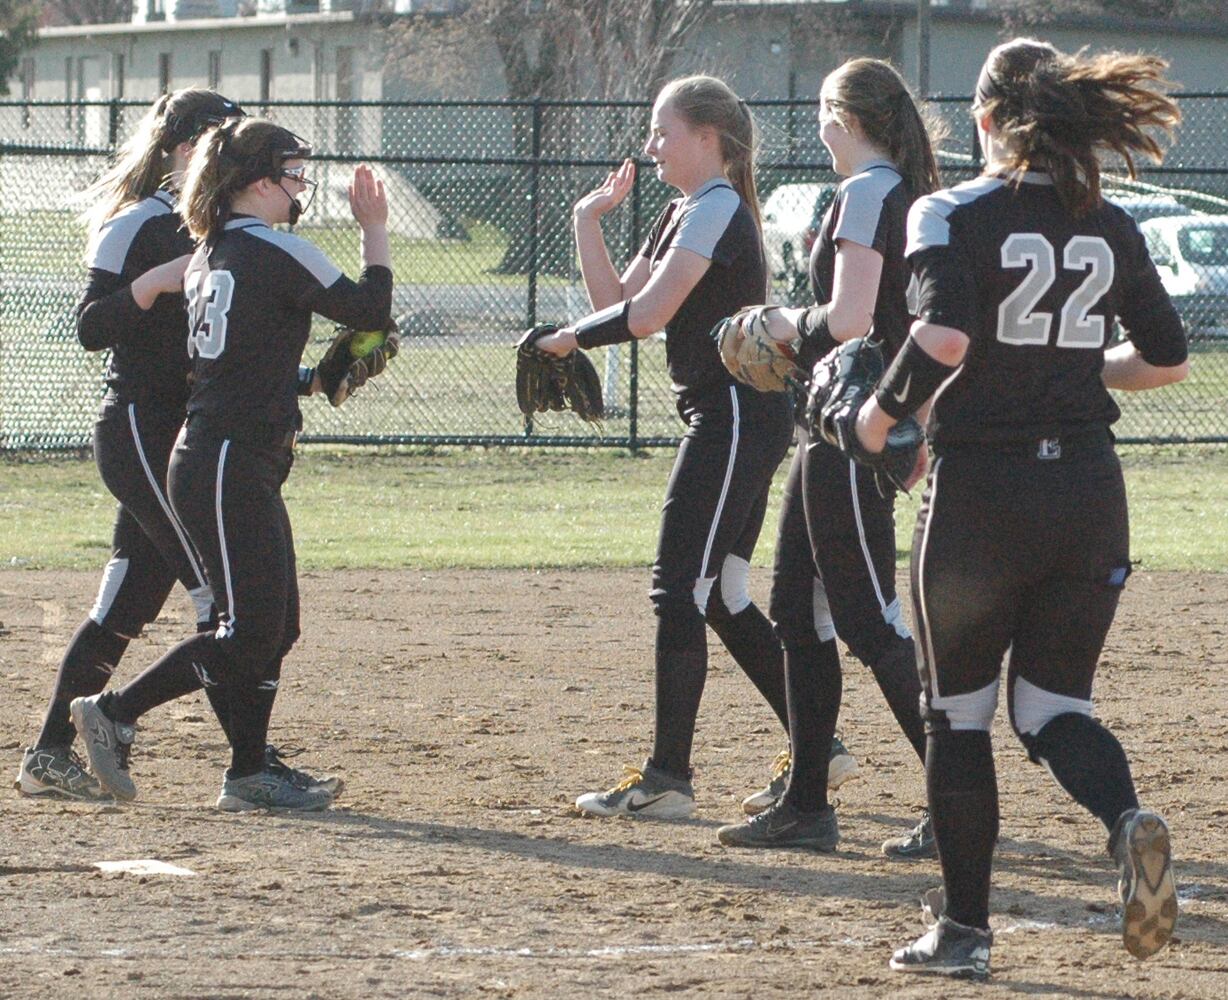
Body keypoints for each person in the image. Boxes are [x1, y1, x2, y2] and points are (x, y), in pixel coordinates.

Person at [839, 39, 1185, 978]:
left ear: (987, 119)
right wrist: (1069, 369)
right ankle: (1126, 819)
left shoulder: (949, 209)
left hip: (985, 498)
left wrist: (876, 418)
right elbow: (1165, 358)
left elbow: (944, 335)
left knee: (957, 714)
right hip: (1087, 492)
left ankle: (963, 931)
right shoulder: (1104, 220)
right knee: (1052, 706)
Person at [534, 75, 850, 818]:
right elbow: (622, 295)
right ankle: (821, 747)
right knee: (724, 594)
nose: (650, 147)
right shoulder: (685, 210)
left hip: (737, 413)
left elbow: (644, 318)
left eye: (662, 132)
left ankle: (668, 778)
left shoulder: (717, 210)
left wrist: (570, 338)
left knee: (678, 588)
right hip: (732, 415)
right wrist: (588, 220)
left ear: (707, 137)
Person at [71, 118, 394, 812]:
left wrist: (311, 377)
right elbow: (371, 308)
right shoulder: (274, 250)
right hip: (225, 458)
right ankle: (116, 711)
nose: (301, 186)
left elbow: (245, 356)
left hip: (227, 455)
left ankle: (250, 772)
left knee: (277, 626)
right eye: (293, 173)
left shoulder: (215, 251)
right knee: (247, 629)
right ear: (257, 182)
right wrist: (375, 228)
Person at [715, 59, 939, 856]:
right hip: (838, 427)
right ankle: (807, 805)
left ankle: (956, 800)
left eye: (821, 112)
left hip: (849, 428)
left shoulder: (870, 190)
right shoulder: (898, 190)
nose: (817, 127)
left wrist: (778, 323)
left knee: (867, 620)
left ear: (842, 116)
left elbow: (849, 320)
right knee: (797, 614)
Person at [14, 89, 243, 802]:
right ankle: (252, 766)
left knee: (125, 605)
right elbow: (88, 326)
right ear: (182, 150)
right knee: (219, 596)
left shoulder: (220, 229)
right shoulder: (139, 224)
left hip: (185, 430)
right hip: (142, 428)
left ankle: (49, 755)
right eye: (221, 147)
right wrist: (150, 284)